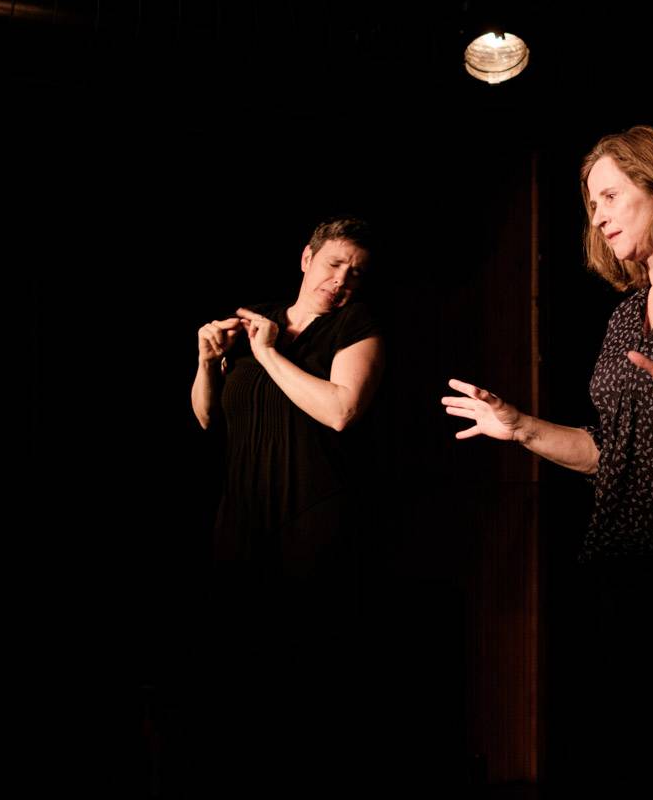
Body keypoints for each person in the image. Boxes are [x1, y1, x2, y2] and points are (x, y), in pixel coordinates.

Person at [443, 126, 653, 798]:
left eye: (609, 196)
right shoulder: (625, 317)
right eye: (590, 204)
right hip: (624, 568)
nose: (598, 217)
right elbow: (611, 452)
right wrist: (520, 428)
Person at [184, 217, 384, 793]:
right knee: (234, 670)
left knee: (306, 673)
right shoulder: (257, 318)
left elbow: (341, 411)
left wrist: (268, 353)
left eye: (356, 273)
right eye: (335, 264)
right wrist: (205, 361)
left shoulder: (356, 325)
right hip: (241, 514)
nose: (342, 280)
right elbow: (207, 417)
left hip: (312, 512)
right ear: (306, 258)